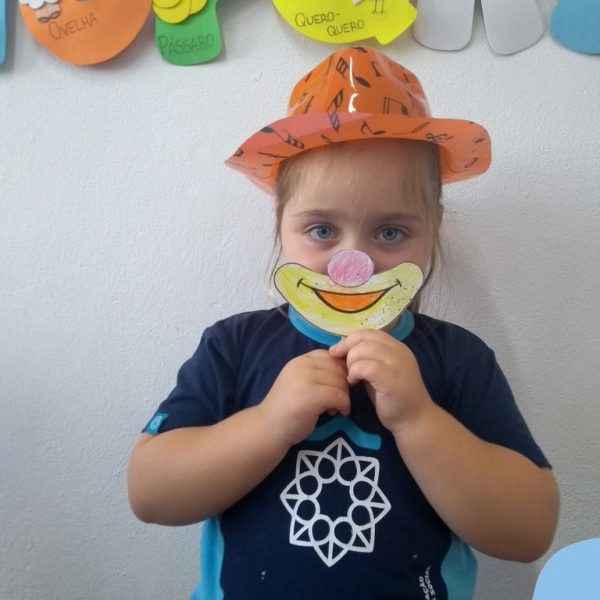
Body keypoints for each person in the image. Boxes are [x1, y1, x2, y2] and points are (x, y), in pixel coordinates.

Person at [128, 46, 559, 599]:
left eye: (390, 232)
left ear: (433, 229)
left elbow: (528, 532)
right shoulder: (233, 345)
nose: (351, 265)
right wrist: (269, 423)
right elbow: (150, 495)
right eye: (322, 231)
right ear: (280, 223)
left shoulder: (459, 360)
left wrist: (419, 419)